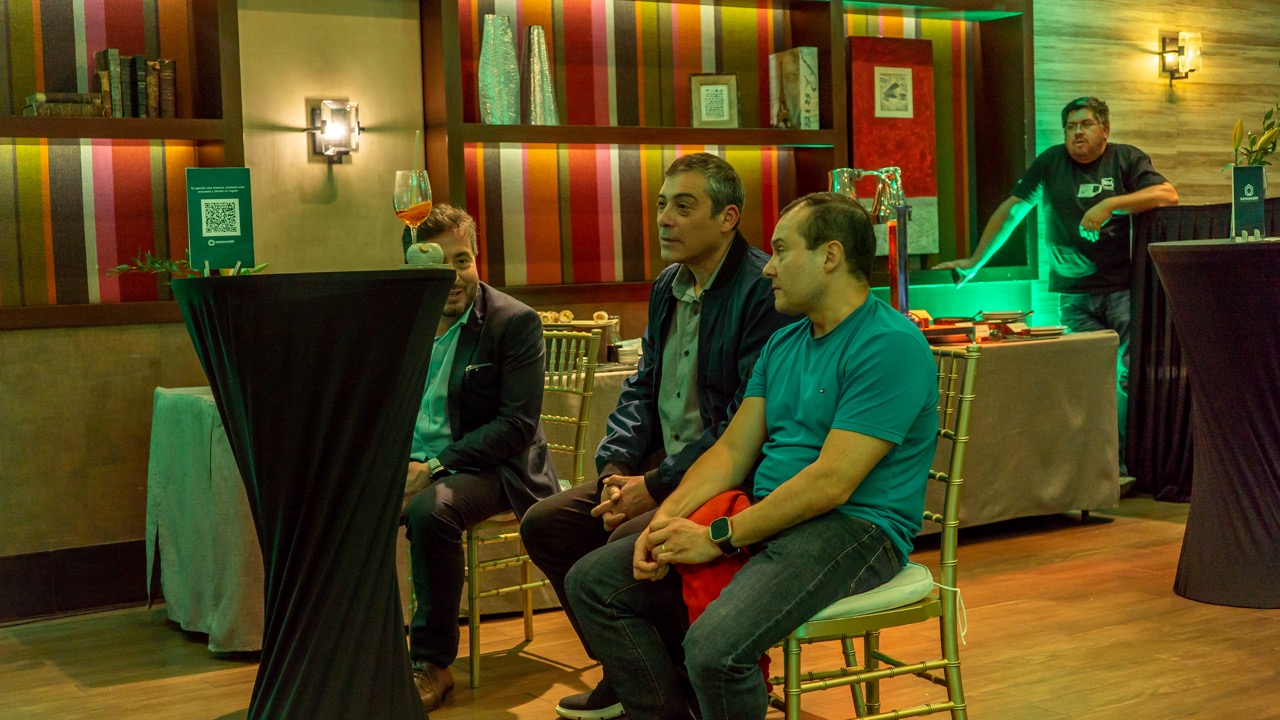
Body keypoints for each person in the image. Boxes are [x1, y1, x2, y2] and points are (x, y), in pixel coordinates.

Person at [563, 192, 939, 720]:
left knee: (715, 651)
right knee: (592, 584)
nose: (768, 269)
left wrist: (717, 537)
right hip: (772, 512)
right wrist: (666, 519)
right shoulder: (784, 344)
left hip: (854, 529)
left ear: (830, 256)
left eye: (782, 251)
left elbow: (832, 483)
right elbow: (730, 452)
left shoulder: (888, 343)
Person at [520, 152, 794, 720]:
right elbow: (642, 386)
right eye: (663, 204)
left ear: (728, 218)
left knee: (618, 551)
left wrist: (654, 485)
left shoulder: (761, 289)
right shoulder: (669, 284)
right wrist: (616, 471)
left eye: (684, 207)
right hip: (656, 468)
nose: (664, 219)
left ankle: (670, 695)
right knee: (546, 524)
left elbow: (742, 423)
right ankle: (629, 670)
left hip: (727, 482)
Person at [935, 96, 1178, 482]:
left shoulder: (1124, 159)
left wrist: (1110, 204)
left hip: (1122, 292)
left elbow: (1166, 194)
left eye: (1085, 124)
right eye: (1070, 126)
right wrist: (976, 262)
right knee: (1086, 382)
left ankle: (1127, 466)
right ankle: (1098, 471)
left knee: (1126, 381)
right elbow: (1013, 210)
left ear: (1104, 129)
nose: (1077, 132)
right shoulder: (1051, 163)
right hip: (1073, 297)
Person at [400, 204, 559, 712]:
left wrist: (432, 469)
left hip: (494, 468)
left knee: (431, 511)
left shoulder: (514, 322)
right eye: (438, 263)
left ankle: (432, 664)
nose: (453, 276)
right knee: (337, 502)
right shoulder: (402, 321)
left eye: (462, 260)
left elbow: (515, 427)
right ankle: (358, 647)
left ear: (476, 258)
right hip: (415, 461)